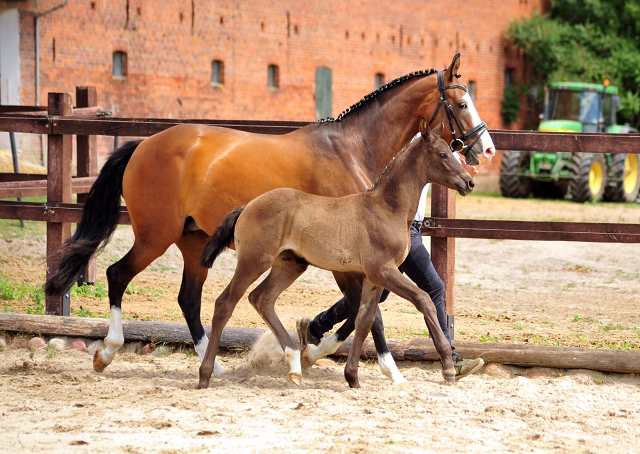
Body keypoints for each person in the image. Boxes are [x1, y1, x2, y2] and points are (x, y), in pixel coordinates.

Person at [296, 135, 484, 381]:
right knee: (433, 288)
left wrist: (458, 167)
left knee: (377, 292)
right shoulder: (417, 144)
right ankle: (451, 359)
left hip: (405, 226)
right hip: (397, 229)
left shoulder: (432, 145)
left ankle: (316, 327)